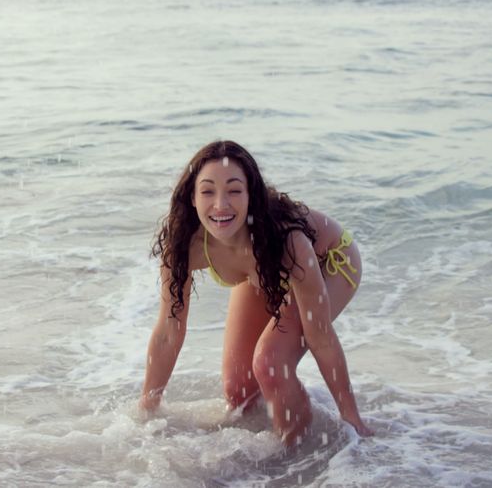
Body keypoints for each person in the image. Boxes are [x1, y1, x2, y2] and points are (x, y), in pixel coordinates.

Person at [139, 140, 373, 445]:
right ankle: (279, 429)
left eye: (234, 190)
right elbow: (169, 331)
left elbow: (321, 337)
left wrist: (351, 418)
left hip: (329, 261)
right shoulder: (184, 246)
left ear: (252, 196)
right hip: (263, 271)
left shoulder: (287, 242)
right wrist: (148, 405)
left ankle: (298, 452)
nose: (221, 205)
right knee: (239, 389)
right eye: (208, 191)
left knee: (270, 362)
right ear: (192, 198)